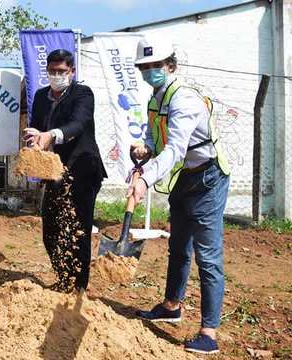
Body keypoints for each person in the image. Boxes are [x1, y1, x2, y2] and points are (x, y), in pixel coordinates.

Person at [129, 35, 231, 355]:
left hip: (208, 180)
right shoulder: (155, 98)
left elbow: (175, 150)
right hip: (183, 180)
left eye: (155, 66)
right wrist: (143, 150)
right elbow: (156, 139)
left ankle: (209, 333)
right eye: (144, 67)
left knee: (208, 256)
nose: (149, 72)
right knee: (178, 247)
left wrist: (145, 178)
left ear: (170, 66)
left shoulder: (184, 99)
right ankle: (172, 306)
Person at [24, 49, 107, 293]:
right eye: (52, 71)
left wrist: (52, 135)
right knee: (51, 229)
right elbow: (39, 128)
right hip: (54, 172)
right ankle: (64, 278)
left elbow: (78, 124)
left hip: (83, 169)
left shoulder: (83, 94)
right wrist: (34, 137)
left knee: (77, 229)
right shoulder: (40, 96)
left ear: (71, 71)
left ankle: (78, 286)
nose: (56, 75)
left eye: (62, 71)